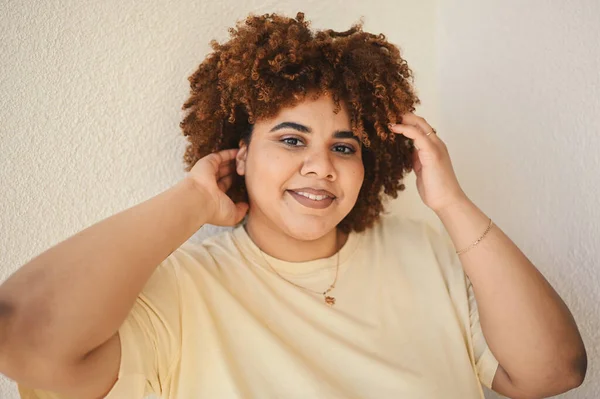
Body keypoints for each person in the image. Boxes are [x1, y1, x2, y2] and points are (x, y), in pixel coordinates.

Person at [0, 11, 586, 399]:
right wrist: (191, 200)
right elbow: (22, 336)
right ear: (239, 151)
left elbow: (555, 371)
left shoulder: (425, 253)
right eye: (290, 139)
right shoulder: (180, 292)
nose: (321, 165)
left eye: (344, 145)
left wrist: (451, 202)